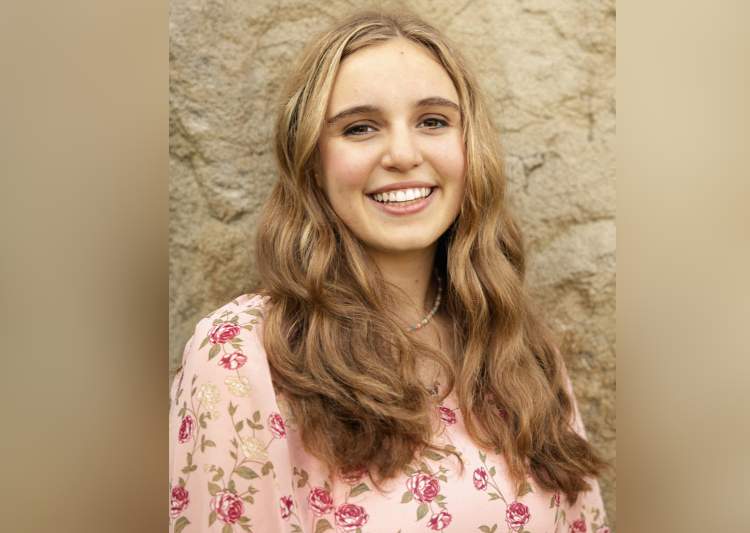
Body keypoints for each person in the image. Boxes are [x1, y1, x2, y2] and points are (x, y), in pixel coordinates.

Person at [169, 8, 610, 533]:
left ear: (471, 148)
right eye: (360, 127)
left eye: (433, 121)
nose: (403, 154)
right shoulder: (242, 357)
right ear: (311, 161)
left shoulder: (522, 351)